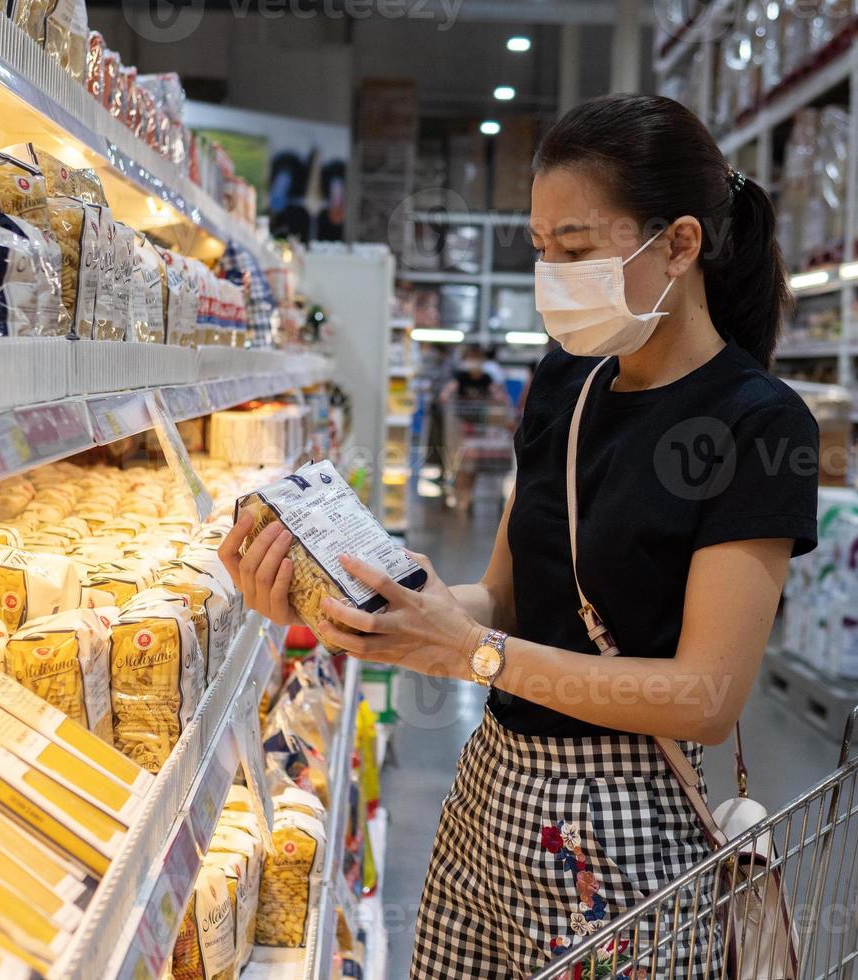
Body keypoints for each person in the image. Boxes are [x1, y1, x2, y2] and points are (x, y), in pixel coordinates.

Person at [221, 93, 818, 978]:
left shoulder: (758, 424)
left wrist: (474, 654)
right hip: (491, 788)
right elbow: (500, 595)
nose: (553, 274)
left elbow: (705, 695)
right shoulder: (564, 382)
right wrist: (365, 600)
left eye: (575, 249)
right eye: (541, 250)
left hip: (622, 826)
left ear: (680, 244)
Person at [438, 347, 512, 514]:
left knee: (473, 464)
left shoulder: (487, 378)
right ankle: (463, 496)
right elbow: (449, 389)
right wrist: (445, 395)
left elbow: (497, 392)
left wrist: (502, 401)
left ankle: (466, 497)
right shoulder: (461, 377)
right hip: (461, 426)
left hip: (480, 427)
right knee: (464, 465)